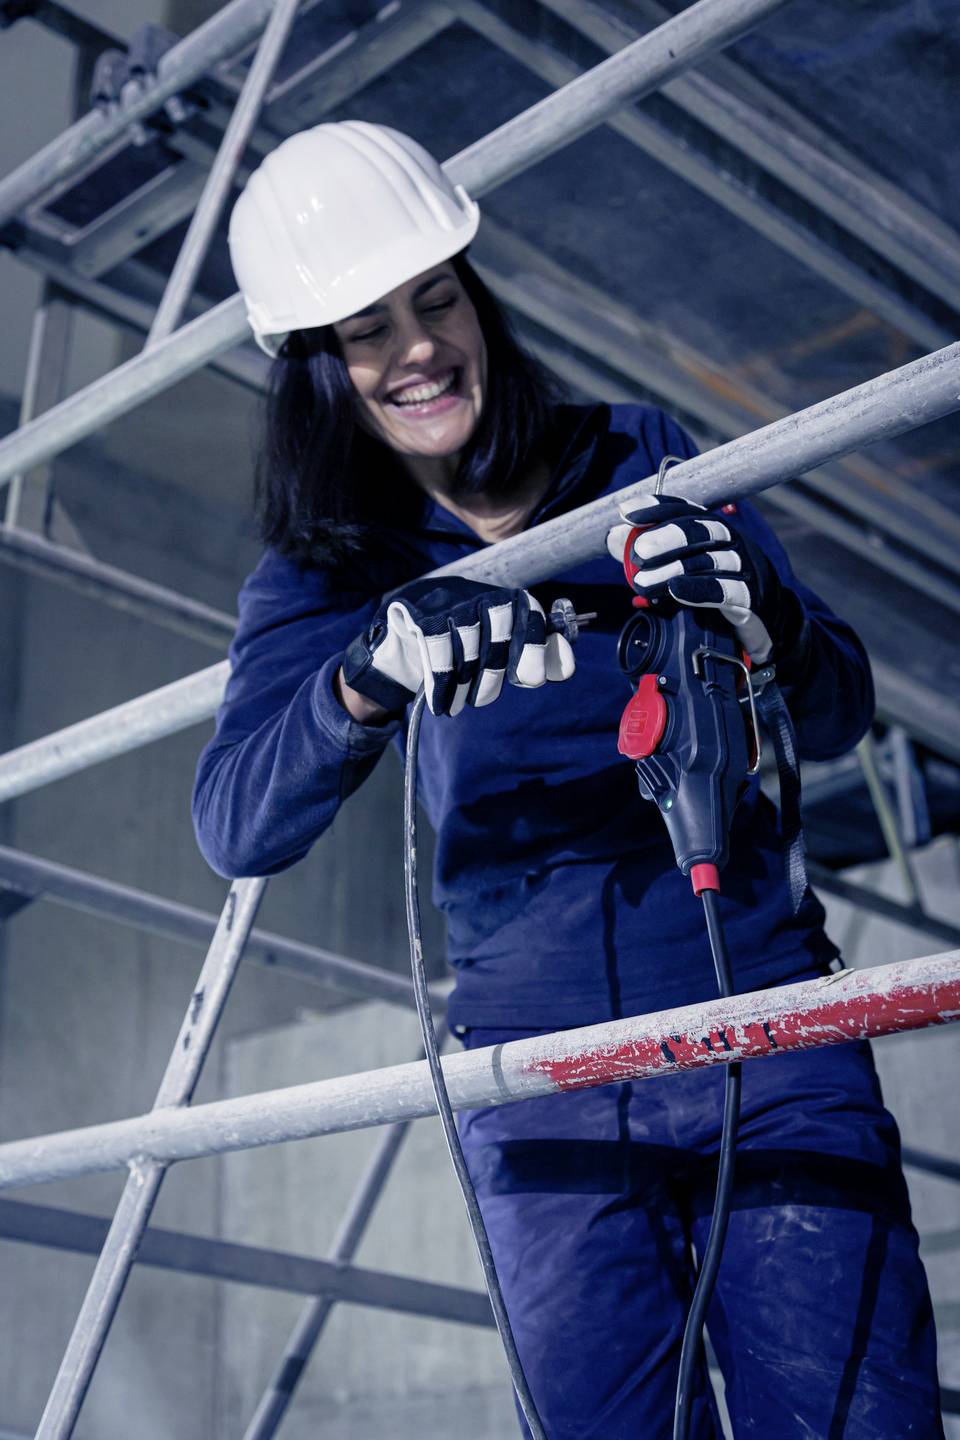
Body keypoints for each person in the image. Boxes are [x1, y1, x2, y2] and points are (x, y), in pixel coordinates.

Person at [193, 121, 944, 1438]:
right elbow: (234, 824)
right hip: (534, 1082)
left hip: (761, 1027)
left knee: (851, 1421)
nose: (420, 345)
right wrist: (369, 672)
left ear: (478, 299)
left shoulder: (639, 455)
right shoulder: (328, 572)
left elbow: (840, 715)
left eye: (437, 298)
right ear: (320, 369)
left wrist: (767, 614)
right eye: (368, 328)